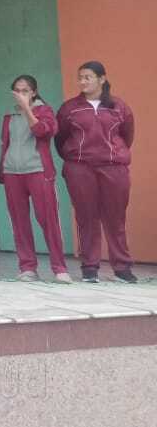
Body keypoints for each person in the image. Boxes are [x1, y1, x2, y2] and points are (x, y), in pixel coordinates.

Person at [56, 61, 136, 283]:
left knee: (116, 218)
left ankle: (122, 267)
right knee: (86, 217)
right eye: (80, 77)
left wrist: (112, 154)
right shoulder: (69, 108)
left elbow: (127, 136)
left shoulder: (119, 106)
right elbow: (61, 139)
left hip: (113, 167)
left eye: (87, 77)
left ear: (101, 79)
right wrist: (76, 158)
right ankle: (90, 267)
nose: (82, 82)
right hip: (80, 168)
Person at [0, 75, 71, 283]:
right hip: (13, 172)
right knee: (19, 221)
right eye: (17, 91)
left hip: (38, 170)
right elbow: (6, 143)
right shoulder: (9, 115)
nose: (21, 94)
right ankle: (27, 267)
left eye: (25, 90)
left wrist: (28, 110)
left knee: (48, 219)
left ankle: (59, 268)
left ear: (34, 92)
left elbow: (43, 132)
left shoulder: (44, 111)